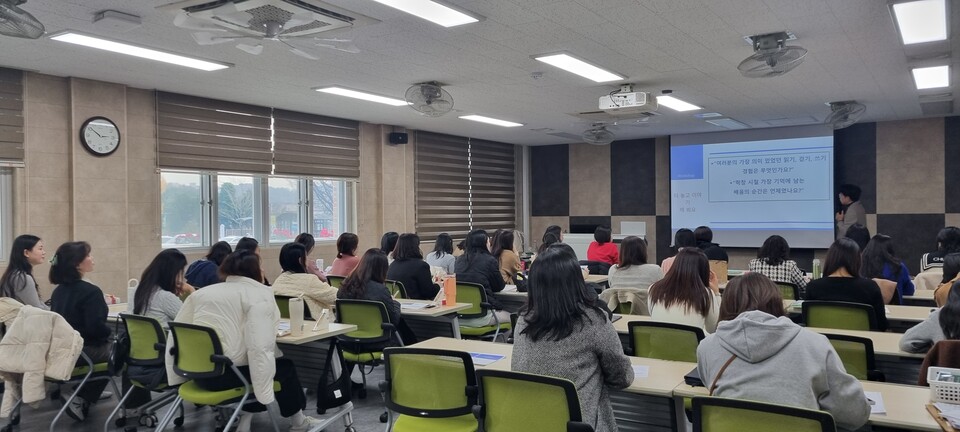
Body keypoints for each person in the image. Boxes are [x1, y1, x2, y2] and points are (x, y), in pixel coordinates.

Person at [166, 250, 323, 432]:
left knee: (254, 368)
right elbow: (260, 347)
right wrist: (263, 393)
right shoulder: (259, 295)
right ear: (255, 270)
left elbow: (175, 334)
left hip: (197, 376)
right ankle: (298, 422)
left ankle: (244, 422)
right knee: (279, 368)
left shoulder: (201, 294)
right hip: (228, 378)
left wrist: (174, 376)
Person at [698, 273, 870, 432]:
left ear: (726, 305)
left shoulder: (706, 348)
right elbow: (855, 415)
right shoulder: (815, 344)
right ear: (775, 302)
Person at [512, 244, 633, 432]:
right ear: (576, 281)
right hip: (579, 425)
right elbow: (622, 377)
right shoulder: (593, 320)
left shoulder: (524, 320)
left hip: (531, 423)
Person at [49, 241, 112, 422]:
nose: (92, 259)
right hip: (83, 350)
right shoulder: (91, 292)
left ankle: (86, 393)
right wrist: (110, 335)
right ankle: (83, 397)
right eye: (89, 255)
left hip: (63, 349)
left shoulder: (58, 291)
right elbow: (96, 328)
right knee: (122, 350)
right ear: (77, 263)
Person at [804, 238, 888, 331]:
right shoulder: (870, 287)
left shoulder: (813, 287)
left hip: (823, 343)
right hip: (861, 343)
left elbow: (807, 324)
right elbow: (881, 325)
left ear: (830, 259)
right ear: (857, 260)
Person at [338, 248, 415, 345]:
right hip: (378, 341)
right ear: (382, 269)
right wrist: (395, 302)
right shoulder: (380, 290)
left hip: (347, 340)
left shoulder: (344, 287)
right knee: (408, 333)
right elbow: (394, 320)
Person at [648, 248, 721, 333]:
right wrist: (716, 293)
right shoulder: (705, 294)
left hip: (657, 345)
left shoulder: (653, 289)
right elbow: (713, 329)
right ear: (704, 271)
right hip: (691, 346)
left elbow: (653, 317)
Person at [454, 229, 510, 327]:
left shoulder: (459, 260)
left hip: (459, 316)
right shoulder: (489, 260)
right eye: (488, 241)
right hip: (482, 316)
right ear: (484, 243)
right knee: (513, 318)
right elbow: (499, 286)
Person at [273, 243, 337, 318]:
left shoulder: (279, 280)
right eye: (306, 256)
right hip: (318, 325)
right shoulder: (309, 280)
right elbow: (335, 297)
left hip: (288, 325)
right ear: (300, 260)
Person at [133, 249, 191, 328]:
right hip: (167, 340)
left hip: (145, 340)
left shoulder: (139, 290)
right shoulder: (165, 297)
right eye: (180, 272)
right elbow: (191, 321)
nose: (181, 278)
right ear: (171, 273)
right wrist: (192, 291)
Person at [901, 281, 960, 353]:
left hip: (946, 362)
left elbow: (905, 343)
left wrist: (934, 348)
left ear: (950, 296)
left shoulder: (938, 316)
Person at [860, 234, 915, 304]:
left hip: (867, 310)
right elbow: (909, 291)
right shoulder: (898, 267)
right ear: (890, 249)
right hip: (893, 311)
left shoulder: (861, 266)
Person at [386, 233, 440, 300]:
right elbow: (428, 293)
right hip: (418, 305)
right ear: (416, 246)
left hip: (398, 305)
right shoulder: (421, 266)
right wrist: (438, 285)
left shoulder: (392, 265)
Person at [0, 234, 48, 309]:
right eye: (40, 249)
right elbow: (37, 309)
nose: (44, 252)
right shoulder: (22, 277)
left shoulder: (14, 274)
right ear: (26, 253)